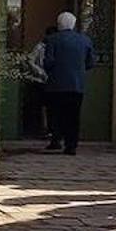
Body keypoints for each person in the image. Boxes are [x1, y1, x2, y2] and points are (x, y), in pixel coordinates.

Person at [43, 12, 94, 156]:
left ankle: (56, 140)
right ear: (74, 24)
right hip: (76, 85)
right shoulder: (84, 40)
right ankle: (71, 145)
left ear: (59, 24)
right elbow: (90, 62)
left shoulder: (52, 40)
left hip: (56, 84)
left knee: (55, 114)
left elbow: (48, 62)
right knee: (73, 115)